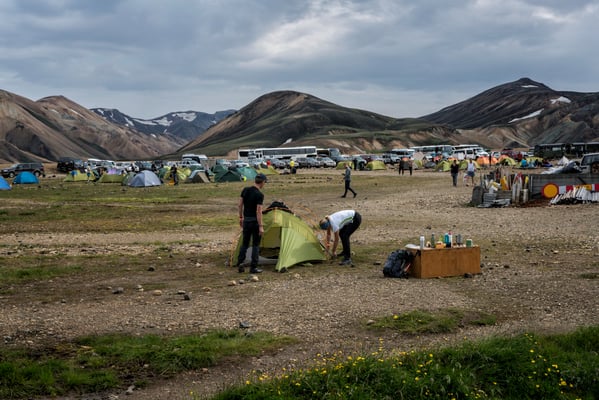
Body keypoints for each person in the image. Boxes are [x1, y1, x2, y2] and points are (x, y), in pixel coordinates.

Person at [236, 173, 268, 273]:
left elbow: (240, 205)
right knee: (255, 244)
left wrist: (241, 217)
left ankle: (240, 263)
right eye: (265, 182)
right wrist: (261, 226)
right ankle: (253, 267)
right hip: (254, 222)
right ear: (262, 182)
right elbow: (258, 211)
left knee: (245, 243)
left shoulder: (245, 190)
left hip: (246, 221)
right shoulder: (259, 194)